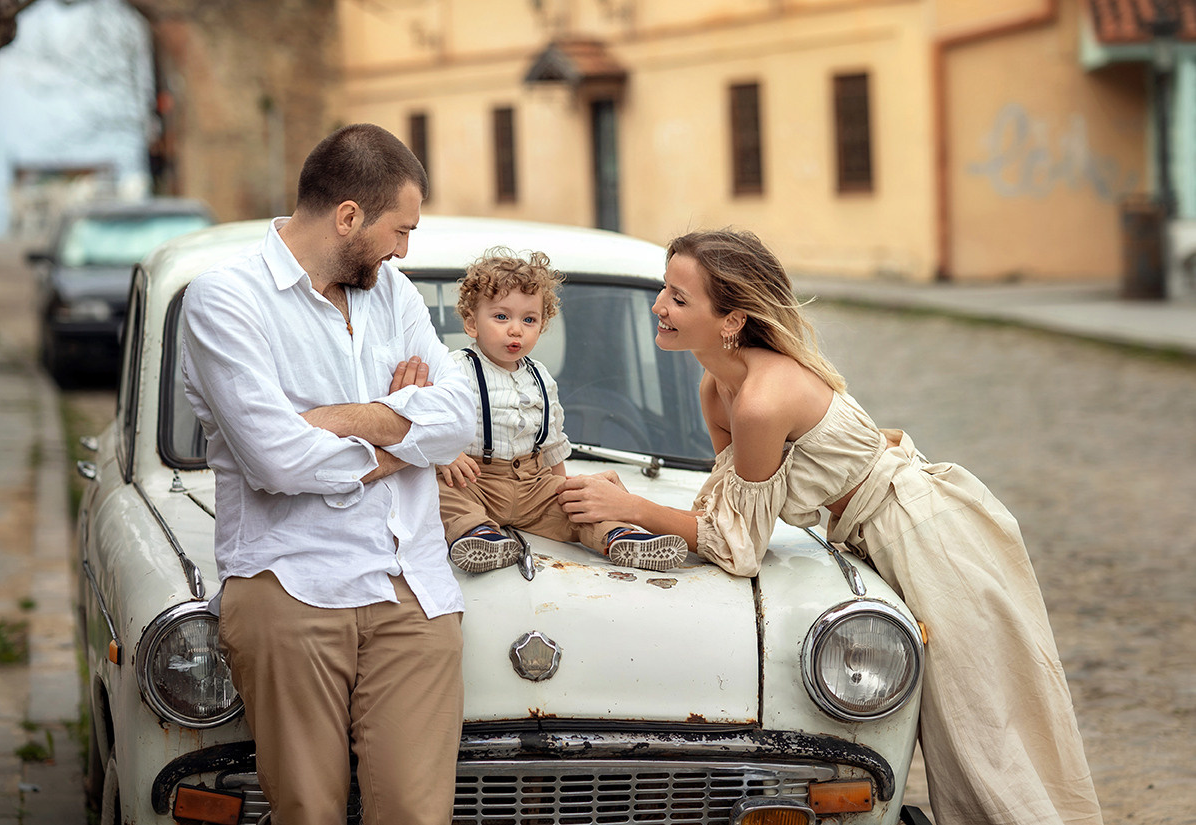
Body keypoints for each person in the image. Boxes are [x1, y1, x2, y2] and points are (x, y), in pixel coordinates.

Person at [557, 228, 1104, 825]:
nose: (659, 306)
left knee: (989, 736)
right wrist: (635, 506)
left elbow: (738, 546)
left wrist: (635, 509)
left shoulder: (761, 400)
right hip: (880, 536)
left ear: (731, 320)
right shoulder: (718, 388)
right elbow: (724, 509)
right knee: (965, 740)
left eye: (679, 298)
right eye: (665, 289)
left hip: (928, 534)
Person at [180, 124, 476, 825]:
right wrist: (407, 429)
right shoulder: (225, 300)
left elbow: (461, 417)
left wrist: (344, 418)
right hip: (290, 585)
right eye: (399, 229)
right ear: (348, 216)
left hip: (413, 591)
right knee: (307, 811)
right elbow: (276, 459)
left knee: (414, 812)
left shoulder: (392, 292)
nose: (404, 248)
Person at [437, 249, 687, 573]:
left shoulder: (540, 377)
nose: (516, 330)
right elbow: (426, 420)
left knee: (580, 503)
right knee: (440, 492)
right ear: (472, 322)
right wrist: (445, 454)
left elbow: (553, 442)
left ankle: (618, 537)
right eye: (501, 317)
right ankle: (477, 534)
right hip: (475, 480)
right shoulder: (453, 370)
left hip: (531, 481)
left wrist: (563, 490)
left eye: (529, 320)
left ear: (542, 325)